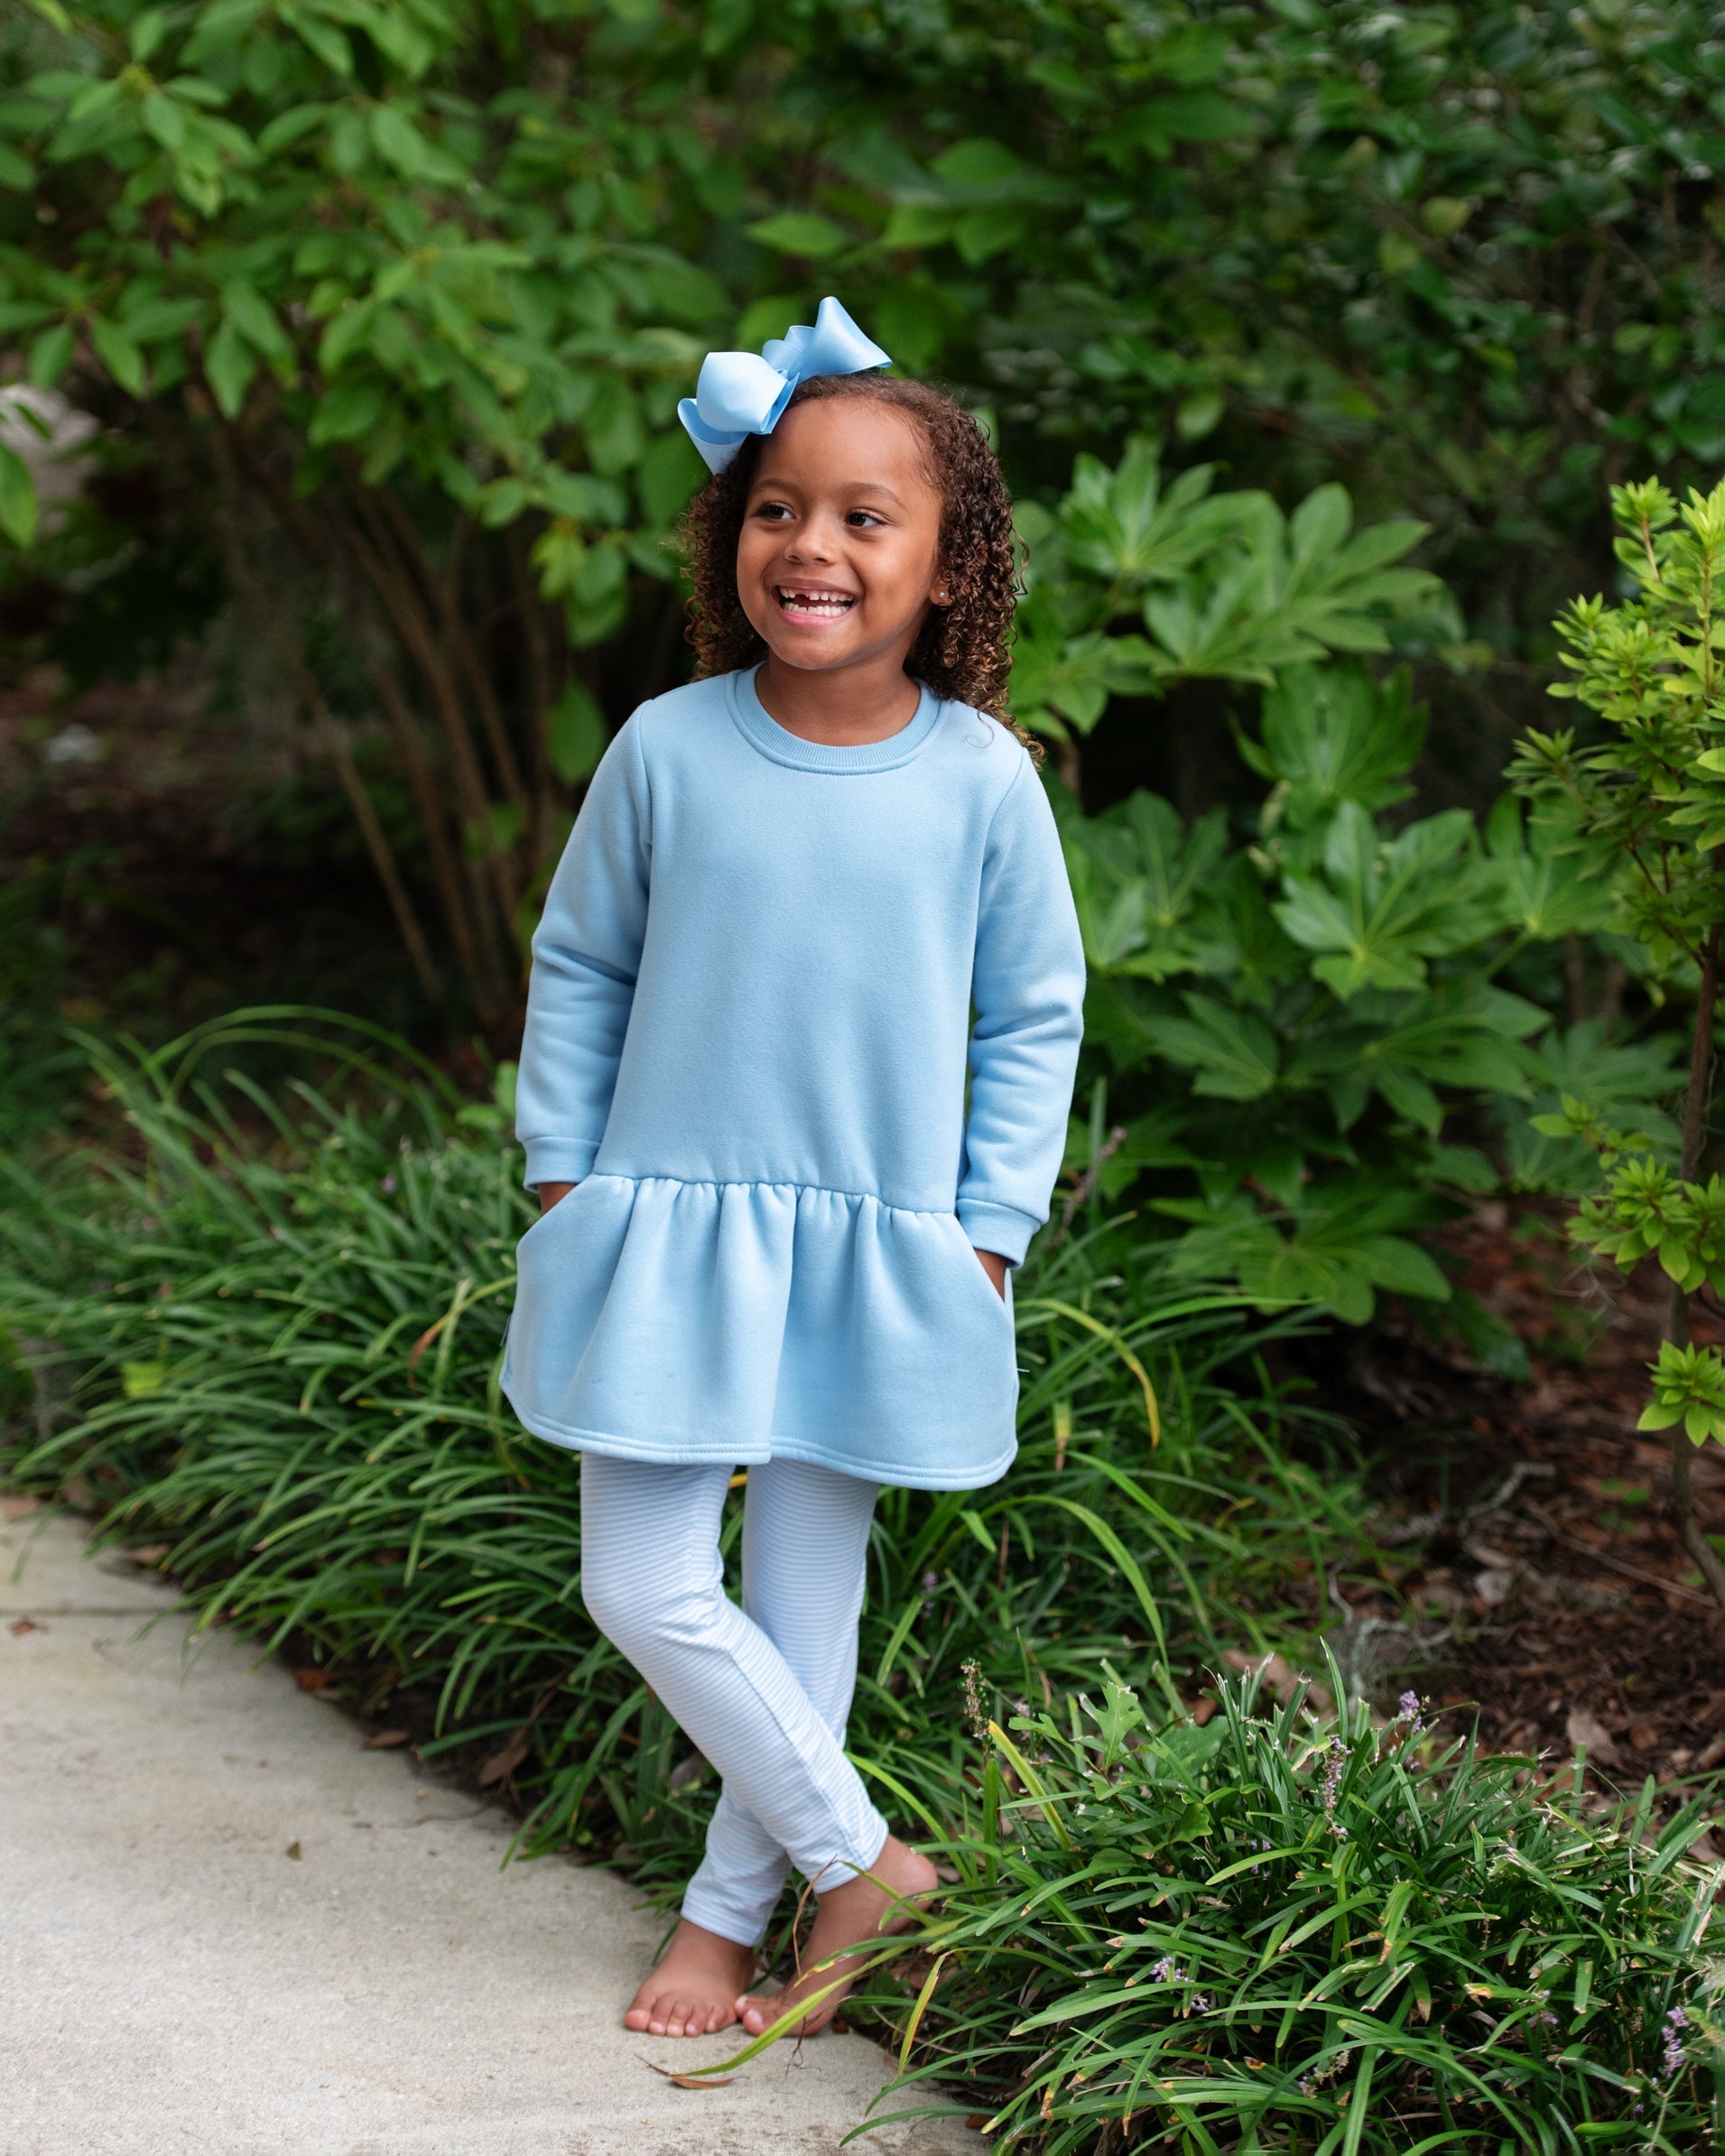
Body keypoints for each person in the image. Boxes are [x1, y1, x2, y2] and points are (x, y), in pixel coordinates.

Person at [502, 299, 1085, 2041]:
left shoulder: (981, 781)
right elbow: (583, 962)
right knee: (643, 1580)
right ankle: (866, 1863)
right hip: (668, 1225)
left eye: (861, 516)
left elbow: (1033, 1014)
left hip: (880, 1241)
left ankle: (732, 1913)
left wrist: (989, 1229)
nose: (810, 544)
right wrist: (564, 1170)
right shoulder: (668, 747)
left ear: (949, 566)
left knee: (802, 1601)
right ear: (729, 534)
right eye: (776, 507)